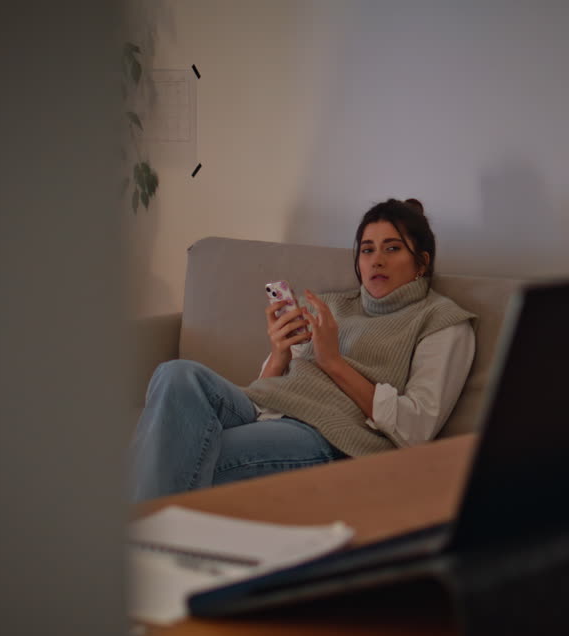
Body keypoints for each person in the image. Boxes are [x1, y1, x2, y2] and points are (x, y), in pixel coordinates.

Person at [130, 198, 477, 501]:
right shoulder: (330, 306)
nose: (377, 260)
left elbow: (416, 429)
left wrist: (333, 363)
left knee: (174, 453)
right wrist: (279, 353)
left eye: (392, 248)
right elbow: (264, 395)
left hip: (324, 435)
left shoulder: (442, 321)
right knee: (175, 373)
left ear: (422, 263)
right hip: (265, 411)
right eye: (368, 250)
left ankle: (135, 550)